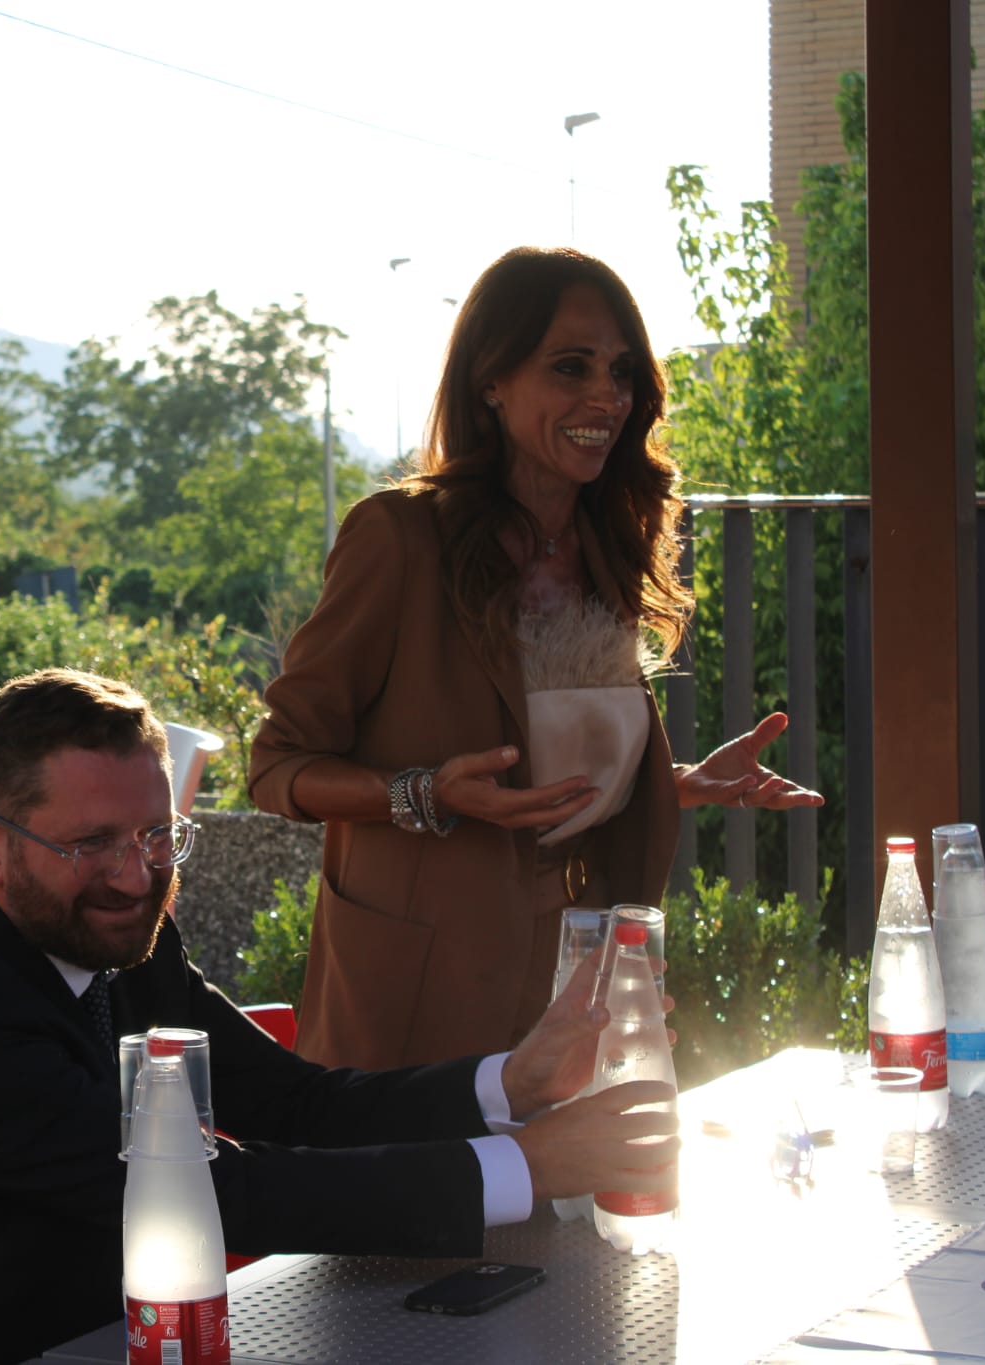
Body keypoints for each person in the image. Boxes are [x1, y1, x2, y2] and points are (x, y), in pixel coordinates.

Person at [0, 669, 678, 1365]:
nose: (135, 876)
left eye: (157, 835)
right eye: (92, 844)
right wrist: (526, 1165)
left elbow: (296, 1103)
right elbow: (211, 1188)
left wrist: (514, 1080)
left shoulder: (113, 936)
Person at [248, 245, 823, 1072]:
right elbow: (277, 766)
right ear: (492, 379)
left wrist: (673, 781)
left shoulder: (608, 546)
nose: (606, 396)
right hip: (419, 999)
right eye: (570, 366)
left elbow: (541, 764)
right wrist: (426, 794)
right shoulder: (398, 537)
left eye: (621, 371)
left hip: (577, 974)